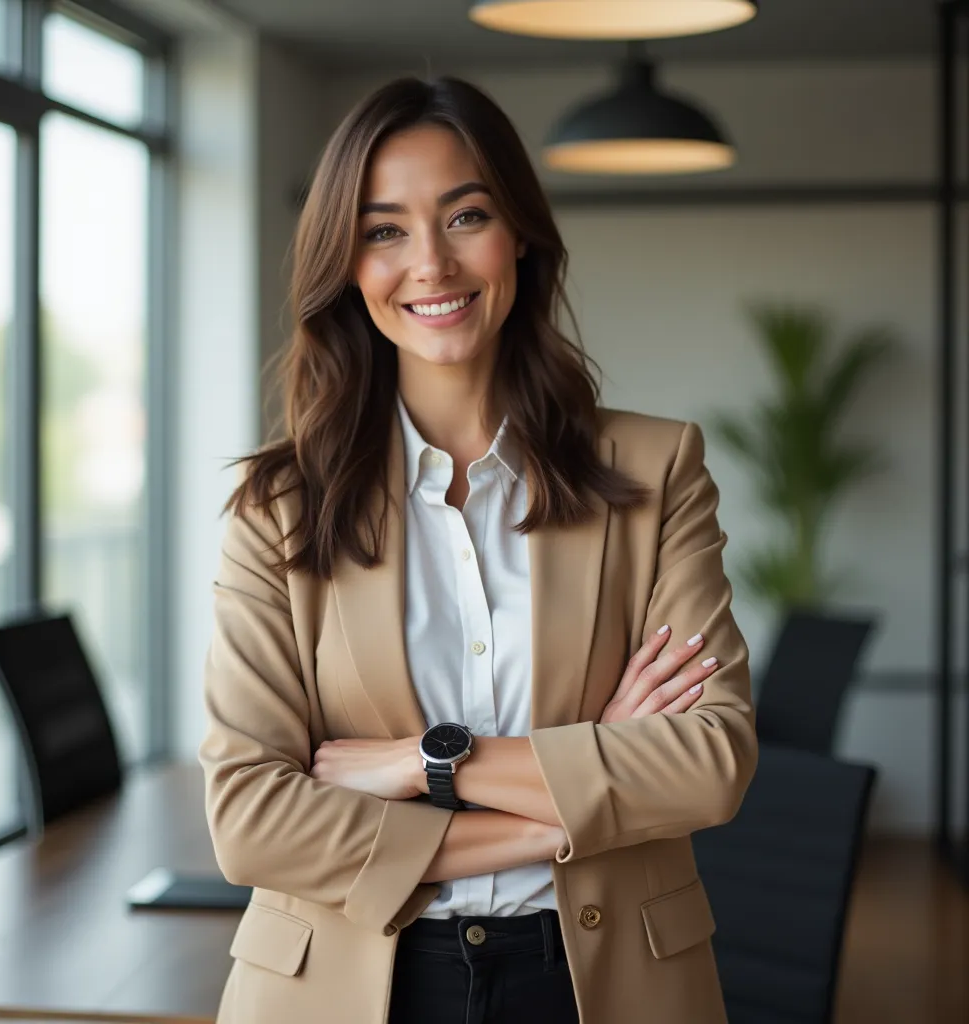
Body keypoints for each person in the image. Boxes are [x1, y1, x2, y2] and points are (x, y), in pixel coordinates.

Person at [198, 75, 757, 1024]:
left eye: (465, 215)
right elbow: (252, 824)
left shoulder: (656, 469)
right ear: (347, 262)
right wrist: (592, 775)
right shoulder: (279, 507)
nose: (431, 264)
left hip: (602, 980)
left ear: (521, 236)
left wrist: (422, 763)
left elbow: (709, 760)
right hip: (345, 984)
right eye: (384, 230)